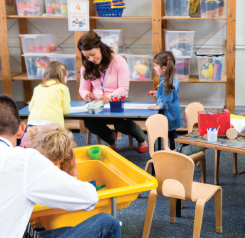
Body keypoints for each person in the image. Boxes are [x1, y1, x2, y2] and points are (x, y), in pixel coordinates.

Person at [0, 94, 121, 238]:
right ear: (21, 129)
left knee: (68, 229)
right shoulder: (25, 160)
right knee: (109, 223)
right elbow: (89, 197)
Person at [78, 32, 148, 152]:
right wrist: (87, 95)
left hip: (118, 100)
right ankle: (111, 138)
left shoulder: (118, 61)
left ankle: (141, 139)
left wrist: (108, 97)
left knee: (121, 124)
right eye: (86, 57)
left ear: (99, 46)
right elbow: (83, 89)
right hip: (97, 103)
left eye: (92, 54)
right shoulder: (86, 66)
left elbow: (124, 89)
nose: (90, 59)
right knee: (88, 122)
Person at [148, 52, 182, 150]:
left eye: (156, 66)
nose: (154, 68)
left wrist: (158, 106)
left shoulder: (166, 83)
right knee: (172, 134)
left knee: (170, 134)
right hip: (174, 111)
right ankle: (174, 152)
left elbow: (167, 100)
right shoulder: (172, 77)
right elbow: (169, 94)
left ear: (164, 68)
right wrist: (158, 93)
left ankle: (172, 153)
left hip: (169, 113)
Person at [28, 61, 71, 127]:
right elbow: (65, 110)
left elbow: (30, 108)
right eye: (66, 76)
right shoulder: (63, 88)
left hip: (33, 122)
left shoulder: (38, 87)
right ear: (62, 74)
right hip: (52, 123)